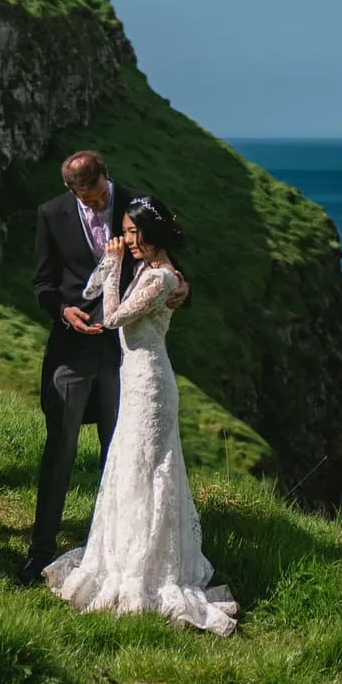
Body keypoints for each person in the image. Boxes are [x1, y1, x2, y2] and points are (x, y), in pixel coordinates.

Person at [43, 195, 237, 635]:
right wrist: (113, 268)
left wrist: (112, 268)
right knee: (128, 466)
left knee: (150, 470)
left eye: (134, 233)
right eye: (126, 232)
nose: (127, 240)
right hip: (134, 379)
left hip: (151, 383)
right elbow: (94, 294)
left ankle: (150, 569)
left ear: (154, 232)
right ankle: (125, 554)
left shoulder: (163, 278)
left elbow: (111, 316)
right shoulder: (153, 272)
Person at [18, 151, 186, 585]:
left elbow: (171, 265)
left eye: (97, 197)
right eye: (83, 199)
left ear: (107, 179)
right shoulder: (51, 214)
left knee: (125, 449)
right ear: (70, 190)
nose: (93, 206)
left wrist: (185, 288)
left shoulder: (137, 205)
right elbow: (42, 282)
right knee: (60, 447)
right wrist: (61, 310)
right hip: (71, 348)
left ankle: (125, 553)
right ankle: (41, 550)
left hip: (125, 356)